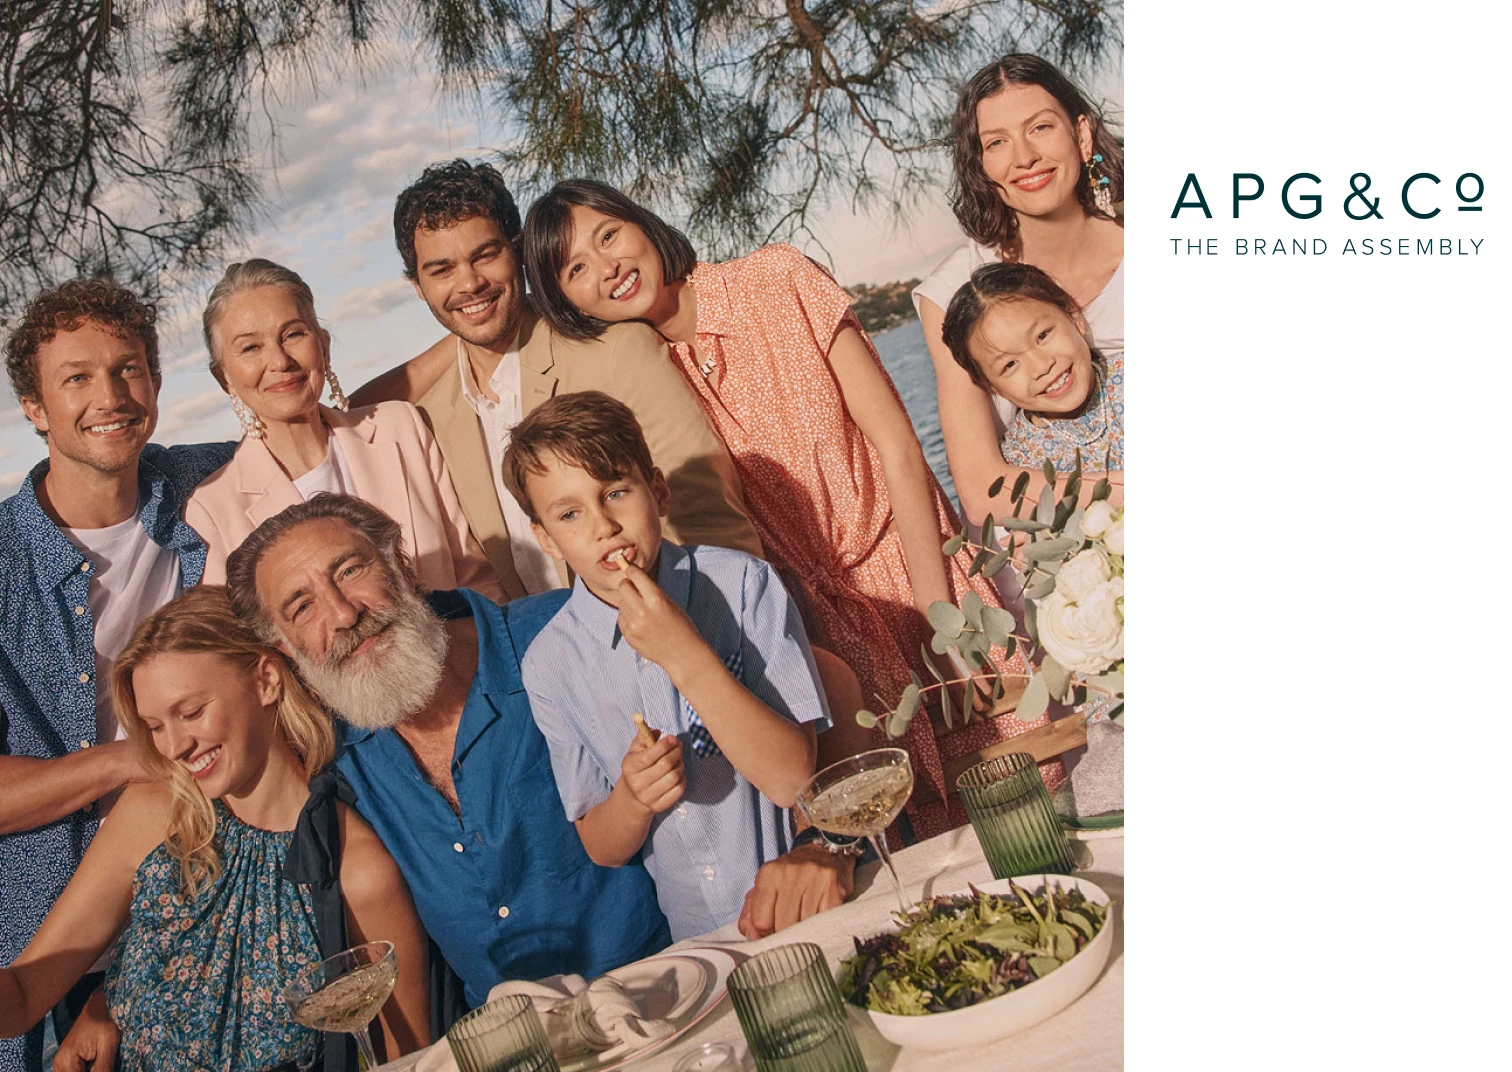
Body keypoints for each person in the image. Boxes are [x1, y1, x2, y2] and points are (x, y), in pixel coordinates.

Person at [520, 180, 1044, 839]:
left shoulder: (777, 280)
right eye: (575, 269)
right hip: (820, 643)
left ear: (639, 222)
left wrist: (942, 621)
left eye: (607, 236)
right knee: (921, 846)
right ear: (567, 301)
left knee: (1030, 789)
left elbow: (900, 451)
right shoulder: (647, 385)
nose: (607, 268)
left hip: (918, 575)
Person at [222, 493, 671, 1010]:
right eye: (303, 607)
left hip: (664, 989)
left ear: (402, 567)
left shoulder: (564, 635)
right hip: (512, 1041)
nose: (343, 615)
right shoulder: (332, 756)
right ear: (286, 649)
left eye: (349, 571)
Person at [0, 586, 431, 1070]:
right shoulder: (154, 815)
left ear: (267, 679)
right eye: (156, 726)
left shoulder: (354, 867)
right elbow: (21, 994)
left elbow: (408, 1059)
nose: (175, 746)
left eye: (191, 712)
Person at [0, 278, 236, 1072]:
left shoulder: (208, 488)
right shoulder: (1, 568)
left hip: (200, 913)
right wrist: (132, 759)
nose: (110, 396)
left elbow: (328, 424)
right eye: (76, 378)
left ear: (157, 384)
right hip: (40, 953)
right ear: (34, 407)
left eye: (128, 369)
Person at [347, 159, 762, 600]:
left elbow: (711, 520)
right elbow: (349, 416)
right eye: (442, 270)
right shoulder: (429, 418)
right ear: (418, 285)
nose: (469, 283)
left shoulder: (617, 351)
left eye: (485, 255)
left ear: (517, 249)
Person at [507, 392, 829, 940]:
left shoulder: (743, 585)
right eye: (569, 513)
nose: (603, 525)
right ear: (546, 539)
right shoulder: (549, 664)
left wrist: (685, 655)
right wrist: (632, 801)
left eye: (615, 492)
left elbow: (796, 778)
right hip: (700, 943)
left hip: (801, 907)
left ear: (657, 491)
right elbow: (600, 845)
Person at [184, 259, 504, 601]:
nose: (280, 361)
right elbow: (239, 649)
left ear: (323, 346)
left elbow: (476, 577)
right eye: (251, 348)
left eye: (293, 335)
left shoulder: (401, 427)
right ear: (224, 378)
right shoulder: (211, 509)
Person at [912, 53, 1124, 524]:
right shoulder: (953, 292)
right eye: (997, 142)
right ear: (981, 166)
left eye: (1041, 128)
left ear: (1082, 135)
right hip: (1056, 536)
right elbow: (985, 490)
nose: (1024, 156)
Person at [941, 263, 1123, 475]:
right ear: (992, 387)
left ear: (1073, 316)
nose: (1041, 366)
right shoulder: (1020, 466)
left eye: (1043, 336)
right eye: (1010, 365)